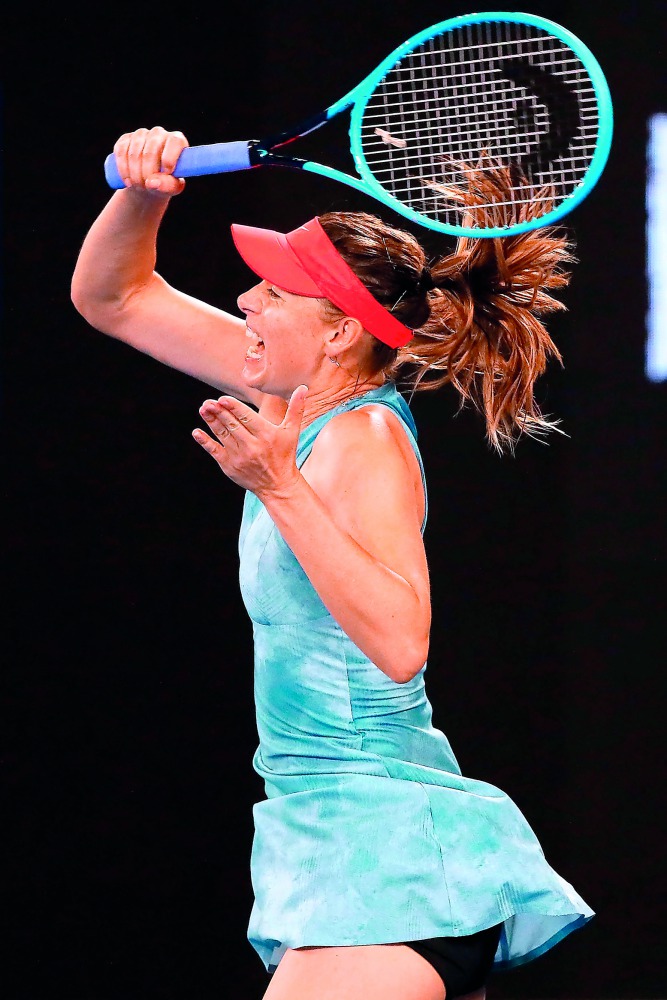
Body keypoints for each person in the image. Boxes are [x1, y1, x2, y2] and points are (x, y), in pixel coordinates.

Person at [71, 125, 594, 1000]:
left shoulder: (362, 438)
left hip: (382, 869)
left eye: (273, 292)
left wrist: (280, 490)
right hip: (347, 859)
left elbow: (399, 642)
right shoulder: (298, 396)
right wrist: (145, 191)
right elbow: (114, 299)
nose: (244, 301)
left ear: (340, 333)